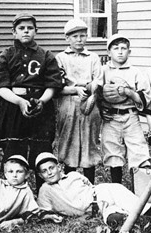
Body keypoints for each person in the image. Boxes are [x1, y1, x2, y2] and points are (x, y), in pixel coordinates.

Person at [0, 13, 64, 170]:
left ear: (36, 31)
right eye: (21, 28)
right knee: (14, 151)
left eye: (30, 28)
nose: (26, 31)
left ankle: (43, 191)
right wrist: (19, 101)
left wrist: (42, 101)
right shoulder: (7, 54)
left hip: (40, 106)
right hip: (13, 105)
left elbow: (53, 84)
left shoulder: (45, 55)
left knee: (42, 151)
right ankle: (15, 190)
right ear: (14, 32)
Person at [52, 18, 104, 182]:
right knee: (69, 143)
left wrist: (91, 87)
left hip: (89, 102)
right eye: (75, 36)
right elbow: (57, 85)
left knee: (89, 142)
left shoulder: (93, 57)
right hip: (69, 102)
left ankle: (90, 185)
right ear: (67, 38)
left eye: (82, 35)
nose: (79, 39)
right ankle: (70, 183)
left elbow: (99, 80)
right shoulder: (61, 58)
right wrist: (74, 89)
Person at [33, 152, 142, 228]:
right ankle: (118, 217)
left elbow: (90, 186)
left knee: (120, 194)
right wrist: (50, 216)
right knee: (113, 215)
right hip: (95, 209)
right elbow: (42, 211)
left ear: (59, 167)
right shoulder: (45, 190)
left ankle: (149, 210)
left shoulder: (73, 175)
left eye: (51, 168)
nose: (49, 172)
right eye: (44, 171)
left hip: (101, 194)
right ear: (41, 175)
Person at [95, 35, 149, 185]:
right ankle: (118, 191)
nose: (120, 52)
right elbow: (96, 93)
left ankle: (140, 193)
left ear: (129, 52)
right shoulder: (103, 70)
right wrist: (101, 108)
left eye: (123, 48)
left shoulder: (135, 72)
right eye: (115, 48)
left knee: (138, 154)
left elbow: (145, 99)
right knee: (113, 155)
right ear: (109, 52)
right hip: (111, 118)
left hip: (130, 116)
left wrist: (129, 92)